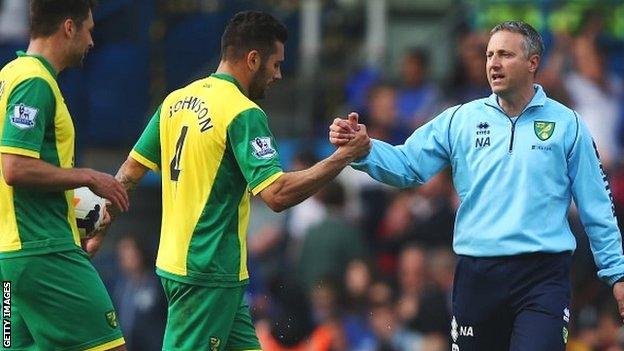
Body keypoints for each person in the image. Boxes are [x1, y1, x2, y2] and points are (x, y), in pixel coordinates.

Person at [330, 21, 624, 351]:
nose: (494, 63)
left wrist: (618, 273)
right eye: (489, 55)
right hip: (478, 275)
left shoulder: (567, 125)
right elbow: (408, 166)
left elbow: (597, 204)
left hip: (542, 277)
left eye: (505, 54)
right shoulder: (460, 120)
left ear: (533, 62)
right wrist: (365, 149)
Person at [93, 11, 370, 351]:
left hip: (189, 265)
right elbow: (276, 194)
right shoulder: (243, 112)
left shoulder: (174, 101)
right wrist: (342, 157)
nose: (279, 75)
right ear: (253, 59)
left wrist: (101, 225)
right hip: (206, 271)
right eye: (276, 64)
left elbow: (129, 172)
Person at [0, 1, 129, 350]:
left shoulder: (10, 75)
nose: (91, 41)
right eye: (88, 29)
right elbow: (14, 168)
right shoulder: (33, 82)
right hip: (44, 252)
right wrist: (88, 177)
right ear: (68, 27)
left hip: (14, 259)